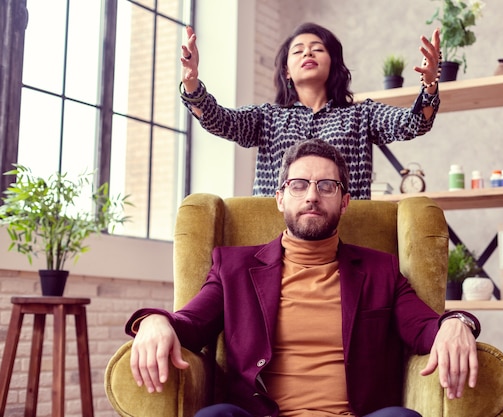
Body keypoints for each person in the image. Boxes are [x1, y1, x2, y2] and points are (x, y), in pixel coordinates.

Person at [127, 139, 480, 417]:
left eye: (327, 186)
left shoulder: (381, 270)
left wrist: (457, 323)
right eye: (299, 185)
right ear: (280, 198)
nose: (312, 196)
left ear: (344, 202)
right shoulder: (232, 267)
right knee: (215, 415)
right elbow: (190, 324)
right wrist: (155, 321)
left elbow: (423, 328)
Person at [179, 22, 442, 200]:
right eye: (298, 51)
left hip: (345, 237)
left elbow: (413, 123)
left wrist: (429, 86)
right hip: (278, 238)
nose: (308, 53)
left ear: (333, 63)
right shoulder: (267, 117)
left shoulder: (363, 115)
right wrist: (191, 82)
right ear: (286, 71)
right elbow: (219, 120)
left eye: (317, 49)